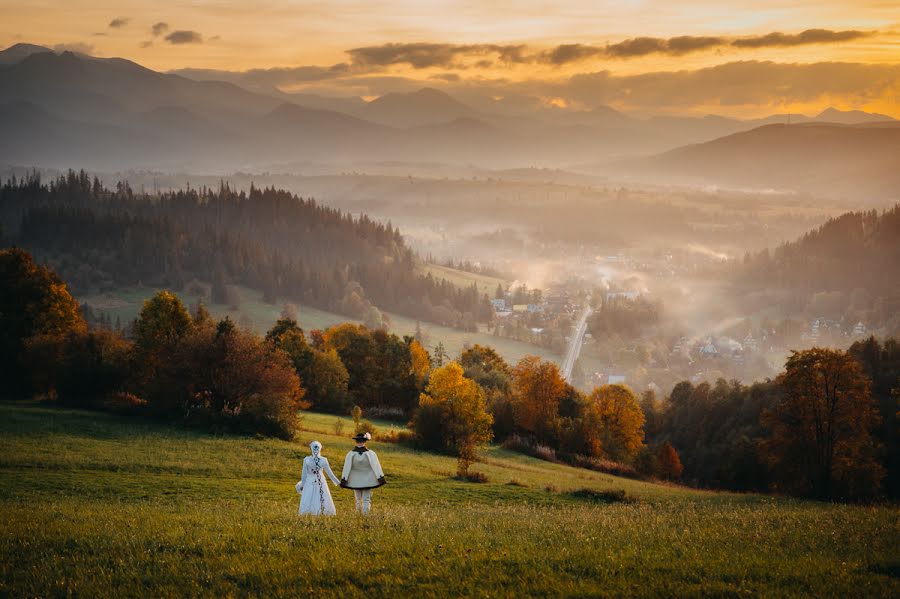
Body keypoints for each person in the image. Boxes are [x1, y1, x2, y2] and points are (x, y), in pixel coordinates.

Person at [340, 432, 386, 514]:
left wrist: (344, 479)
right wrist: (380, 477)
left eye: (361, 441)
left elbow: (376, 466)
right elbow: (346, 467)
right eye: (359, 441)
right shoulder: (370, 453)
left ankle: (361, 516)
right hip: (365, 480)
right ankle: (363, 516)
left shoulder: (351, 454)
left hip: (359, 480)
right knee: (363, 499)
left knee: (361, 499)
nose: (360, 442)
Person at [296, 440, 341, 516]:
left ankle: (308, 513)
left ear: (311, 449)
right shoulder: (324, 460)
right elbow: (330, 474)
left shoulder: (306, 459)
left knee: (308, 497)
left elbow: (304, 474)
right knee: (321, 496)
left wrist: (303, 485)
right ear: (320, 449)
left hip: (309, 481)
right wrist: (338, 483)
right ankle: (320, 512)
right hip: (321, 481)